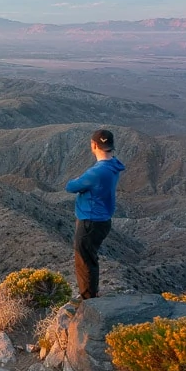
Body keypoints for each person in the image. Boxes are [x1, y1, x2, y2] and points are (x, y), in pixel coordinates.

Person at [65, 129, 125, 300]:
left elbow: (70, 186)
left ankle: (88, 299)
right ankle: (92, 293)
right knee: (90, 258)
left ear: (94, 145)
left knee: (84, 261)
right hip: (102, 220)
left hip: (89, 221)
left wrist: (81, 178)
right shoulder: (114, 164)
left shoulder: (97, 172)